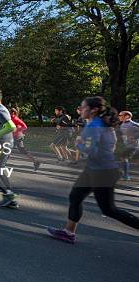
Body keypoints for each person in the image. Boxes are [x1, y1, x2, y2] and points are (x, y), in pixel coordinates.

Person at [47, 96, 139, 243]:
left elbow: (91, 151)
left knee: (109, 209)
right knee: (75, 197)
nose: (81, 110)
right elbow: (110, 145)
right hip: (95, 169)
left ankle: (69, 232)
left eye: (83, 107)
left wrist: (79, 143)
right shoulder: (103, 123)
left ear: (94, 110)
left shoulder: (94, 126)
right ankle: (69, 232)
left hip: (102, 171)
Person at [118, 111, 138, 181]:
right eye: (119, 115)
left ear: (127, 116)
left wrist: (134, 137)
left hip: (133, 146)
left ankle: (126, 176)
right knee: (123, 158)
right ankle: (125, 175)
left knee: (124, 158)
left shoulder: (134, 124)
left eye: (121, 115)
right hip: (126, 145)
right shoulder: (122, 124)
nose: (119, 116)